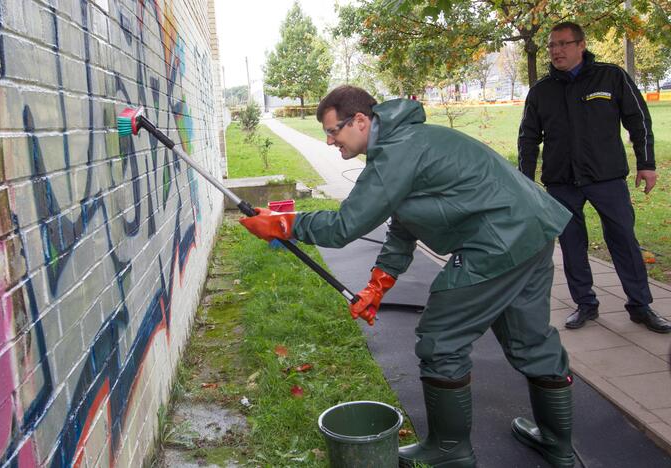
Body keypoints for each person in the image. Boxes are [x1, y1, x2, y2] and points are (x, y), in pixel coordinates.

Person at [239, 85, 576, 468]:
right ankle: (557, 444)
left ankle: (450, 450)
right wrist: (377, 285)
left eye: (334, 131)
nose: (330, 141)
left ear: (361, 120)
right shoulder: (404, 142)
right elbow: (403, 225)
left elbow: (345, 226)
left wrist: (285, 223)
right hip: (533, 232)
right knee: (530, 341)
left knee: (440, 340)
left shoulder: (395, 153)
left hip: (497, 243)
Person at [518, 22, 670, 334]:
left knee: (624, 242)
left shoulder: (611, 76)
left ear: (580, 45)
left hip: (607, 178)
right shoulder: (541, 91)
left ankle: (640, 306)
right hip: (561, 182)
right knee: (572, 246)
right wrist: (524, 181)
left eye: (563, 44)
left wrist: (647, 163)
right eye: (551, 45)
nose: (556, 51)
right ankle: (585, 304)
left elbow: (638, 120)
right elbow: (528, 138)